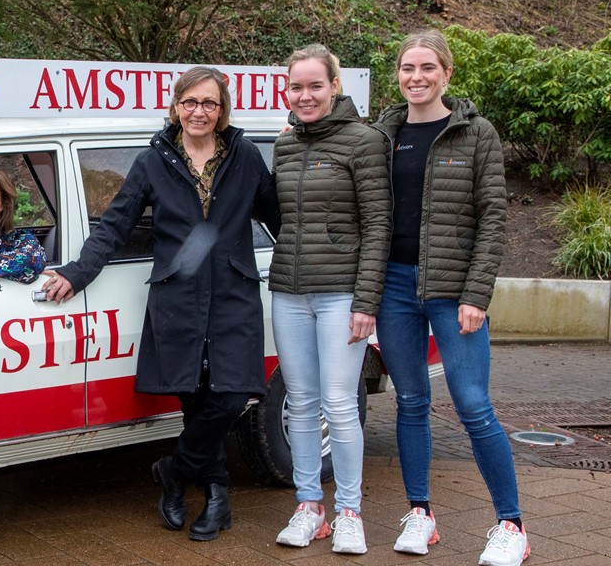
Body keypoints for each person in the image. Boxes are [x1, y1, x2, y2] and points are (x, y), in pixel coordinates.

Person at [40, 66, 280, 542]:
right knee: (194, 397)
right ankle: (216, 498)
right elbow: (115, 225)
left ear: (222, 109)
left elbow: (278, 215)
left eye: (209, 103)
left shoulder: (246, 155)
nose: (199, 112)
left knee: (231, 396)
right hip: (179, 296)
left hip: (234, 293)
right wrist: (76, 272)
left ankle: (173, 471)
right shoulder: (155, 160)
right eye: (190, 102)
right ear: (175, 106)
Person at [374, 30, 528, 566]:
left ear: (447, 73)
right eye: (406, 67)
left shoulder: (476, 133)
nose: (415, 77)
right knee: (411, 401)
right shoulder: (383, 134)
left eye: (427, 68)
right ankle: (421, 514)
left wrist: (476, 293)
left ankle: (511, 524)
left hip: (454, 290)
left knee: (472, 404)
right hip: (394, 286)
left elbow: (494, 219)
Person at [268, 44, 390, 554]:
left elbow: (379, 223)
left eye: (315, 85)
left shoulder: (363, 142)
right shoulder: (285, 144)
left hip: (343, 294)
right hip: (289, 291)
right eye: (296, 87)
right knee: (300, 404)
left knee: (340, 405)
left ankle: (349, 512)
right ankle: (307, 507)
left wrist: (366, 300)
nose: (305, 95)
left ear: (334, 86)